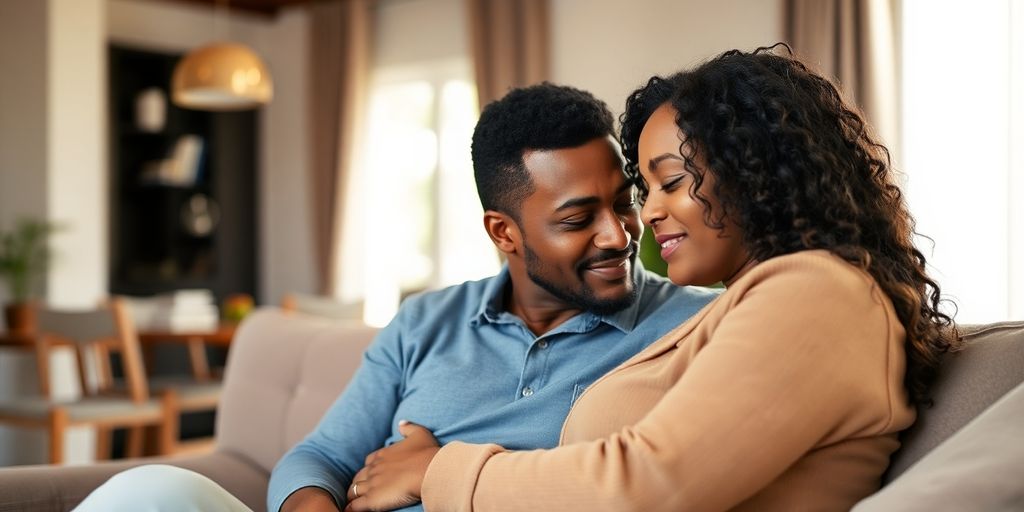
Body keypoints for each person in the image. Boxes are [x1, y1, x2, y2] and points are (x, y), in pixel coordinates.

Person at [341, 45, 960, 512]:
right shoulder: (754, 303)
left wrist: (435, 471)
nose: (648, 213)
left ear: (755, 174)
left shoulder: (817, 293)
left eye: (670, 181)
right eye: (648, 187)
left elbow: (645, 483)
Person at [73, 84, 717, 512]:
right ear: (504, 233)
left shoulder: (691, 326)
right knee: (150, 489)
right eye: (580, 219)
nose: (618, 234)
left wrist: (440, 467)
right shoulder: (427, 321)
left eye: (623, 203)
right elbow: (319, 457)